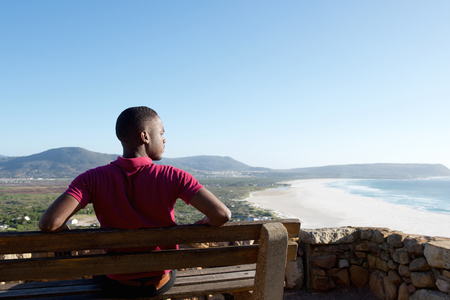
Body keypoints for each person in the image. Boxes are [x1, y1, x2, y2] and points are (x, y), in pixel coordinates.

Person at [39, 106, 231, 298]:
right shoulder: (174, 176)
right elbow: (222, 215)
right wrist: (202, 223)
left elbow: (50, 223)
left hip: (118, 284)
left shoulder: (92, 179)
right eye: (161, 133)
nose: (164, 139)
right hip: (159, 283)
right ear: (145, 136)